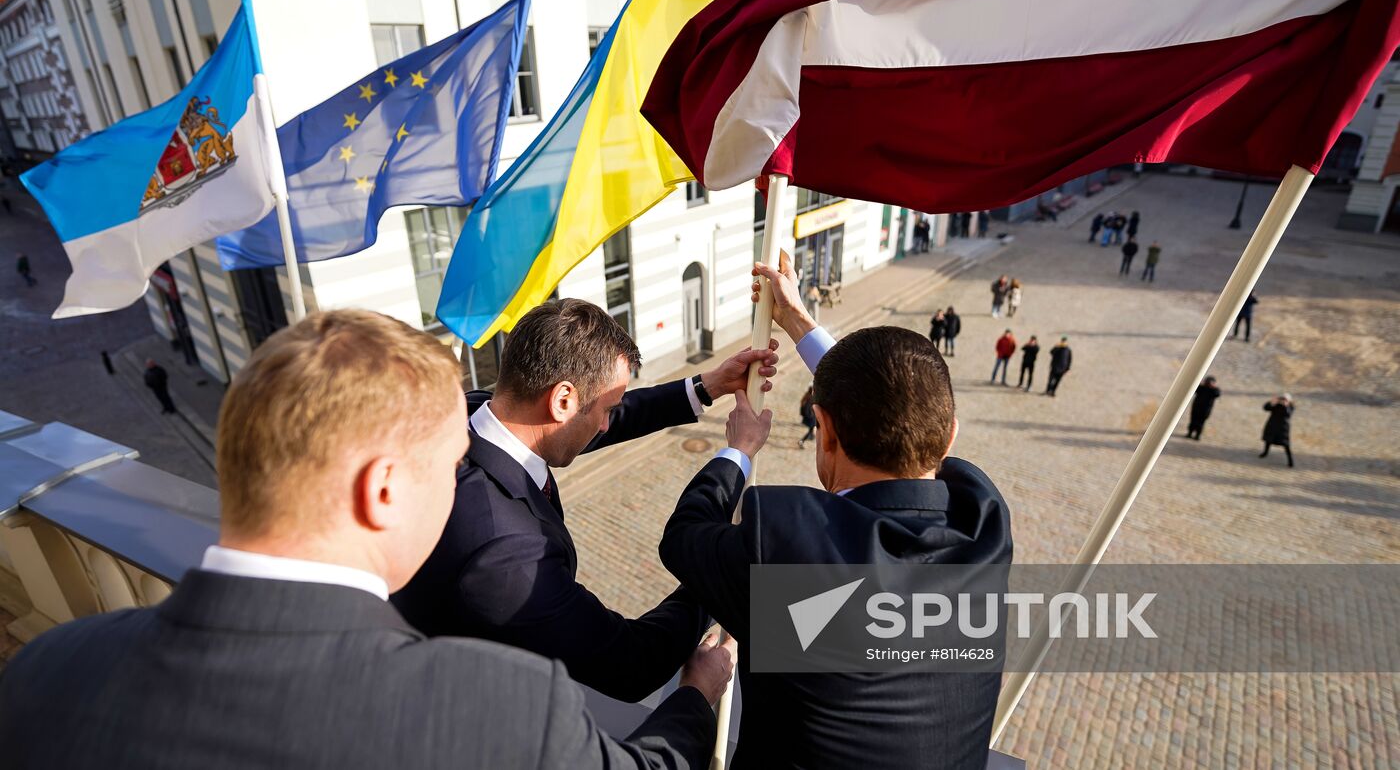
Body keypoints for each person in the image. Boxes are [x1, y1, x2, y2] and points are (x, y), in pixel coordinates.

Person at [0, 310, 732, 769]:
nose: (464, 479)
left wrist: (698, 388)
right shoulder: (496, 708)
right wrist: (701, 678)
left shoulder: (46, 665)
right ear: (381, 489)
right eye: (450, 466)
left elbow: (559, 424)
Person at [658, 251, 1012, 769]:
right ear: (951, 434)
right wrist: (799, 322)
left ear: (823, 432)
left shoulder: (790, 557)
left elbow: (683, 536)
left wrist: (739, 450)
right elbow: (897, 409)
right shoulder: (984, 526)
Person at [392, 298, 776, 703]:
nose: (608, 423)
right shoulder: (508, 551)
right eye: (609, 410)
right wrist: (718, 575)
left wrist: (705, 387)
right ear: (562, 400)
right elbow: (631, 663)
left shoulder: (470, 413)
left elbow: (583, 420)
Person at [1260, 395, 1295, 467]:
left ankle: (1290, 460)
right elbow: (1266, 408)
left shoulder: (1290, 406)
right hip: (1272, 425)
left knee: (1285, 444)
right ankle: (1265, 452)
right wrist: (1272, 402)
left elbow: (1288, 414)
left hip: (1283, 428)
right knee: (1268, 439)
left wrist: (1286, 406)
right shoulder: (1276, 404)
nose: (1282, 400)